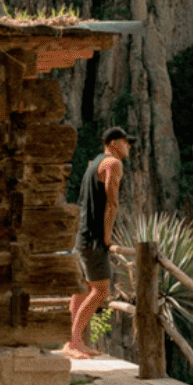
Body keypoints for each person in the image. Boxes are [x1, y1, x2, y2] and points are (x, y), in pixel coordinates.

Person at [60, 126, 134, 360]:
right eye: (126, 142)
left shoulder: (94, 163)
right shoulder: (113, 164)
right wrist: (107, 237)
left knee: (82, 289)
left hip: (81, 234)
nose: (129, 147)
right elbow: (112, 203)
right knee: (101, 290)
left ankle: (75, 342)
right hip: (93, 237)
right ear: (114, 142)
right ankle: (73, 341)